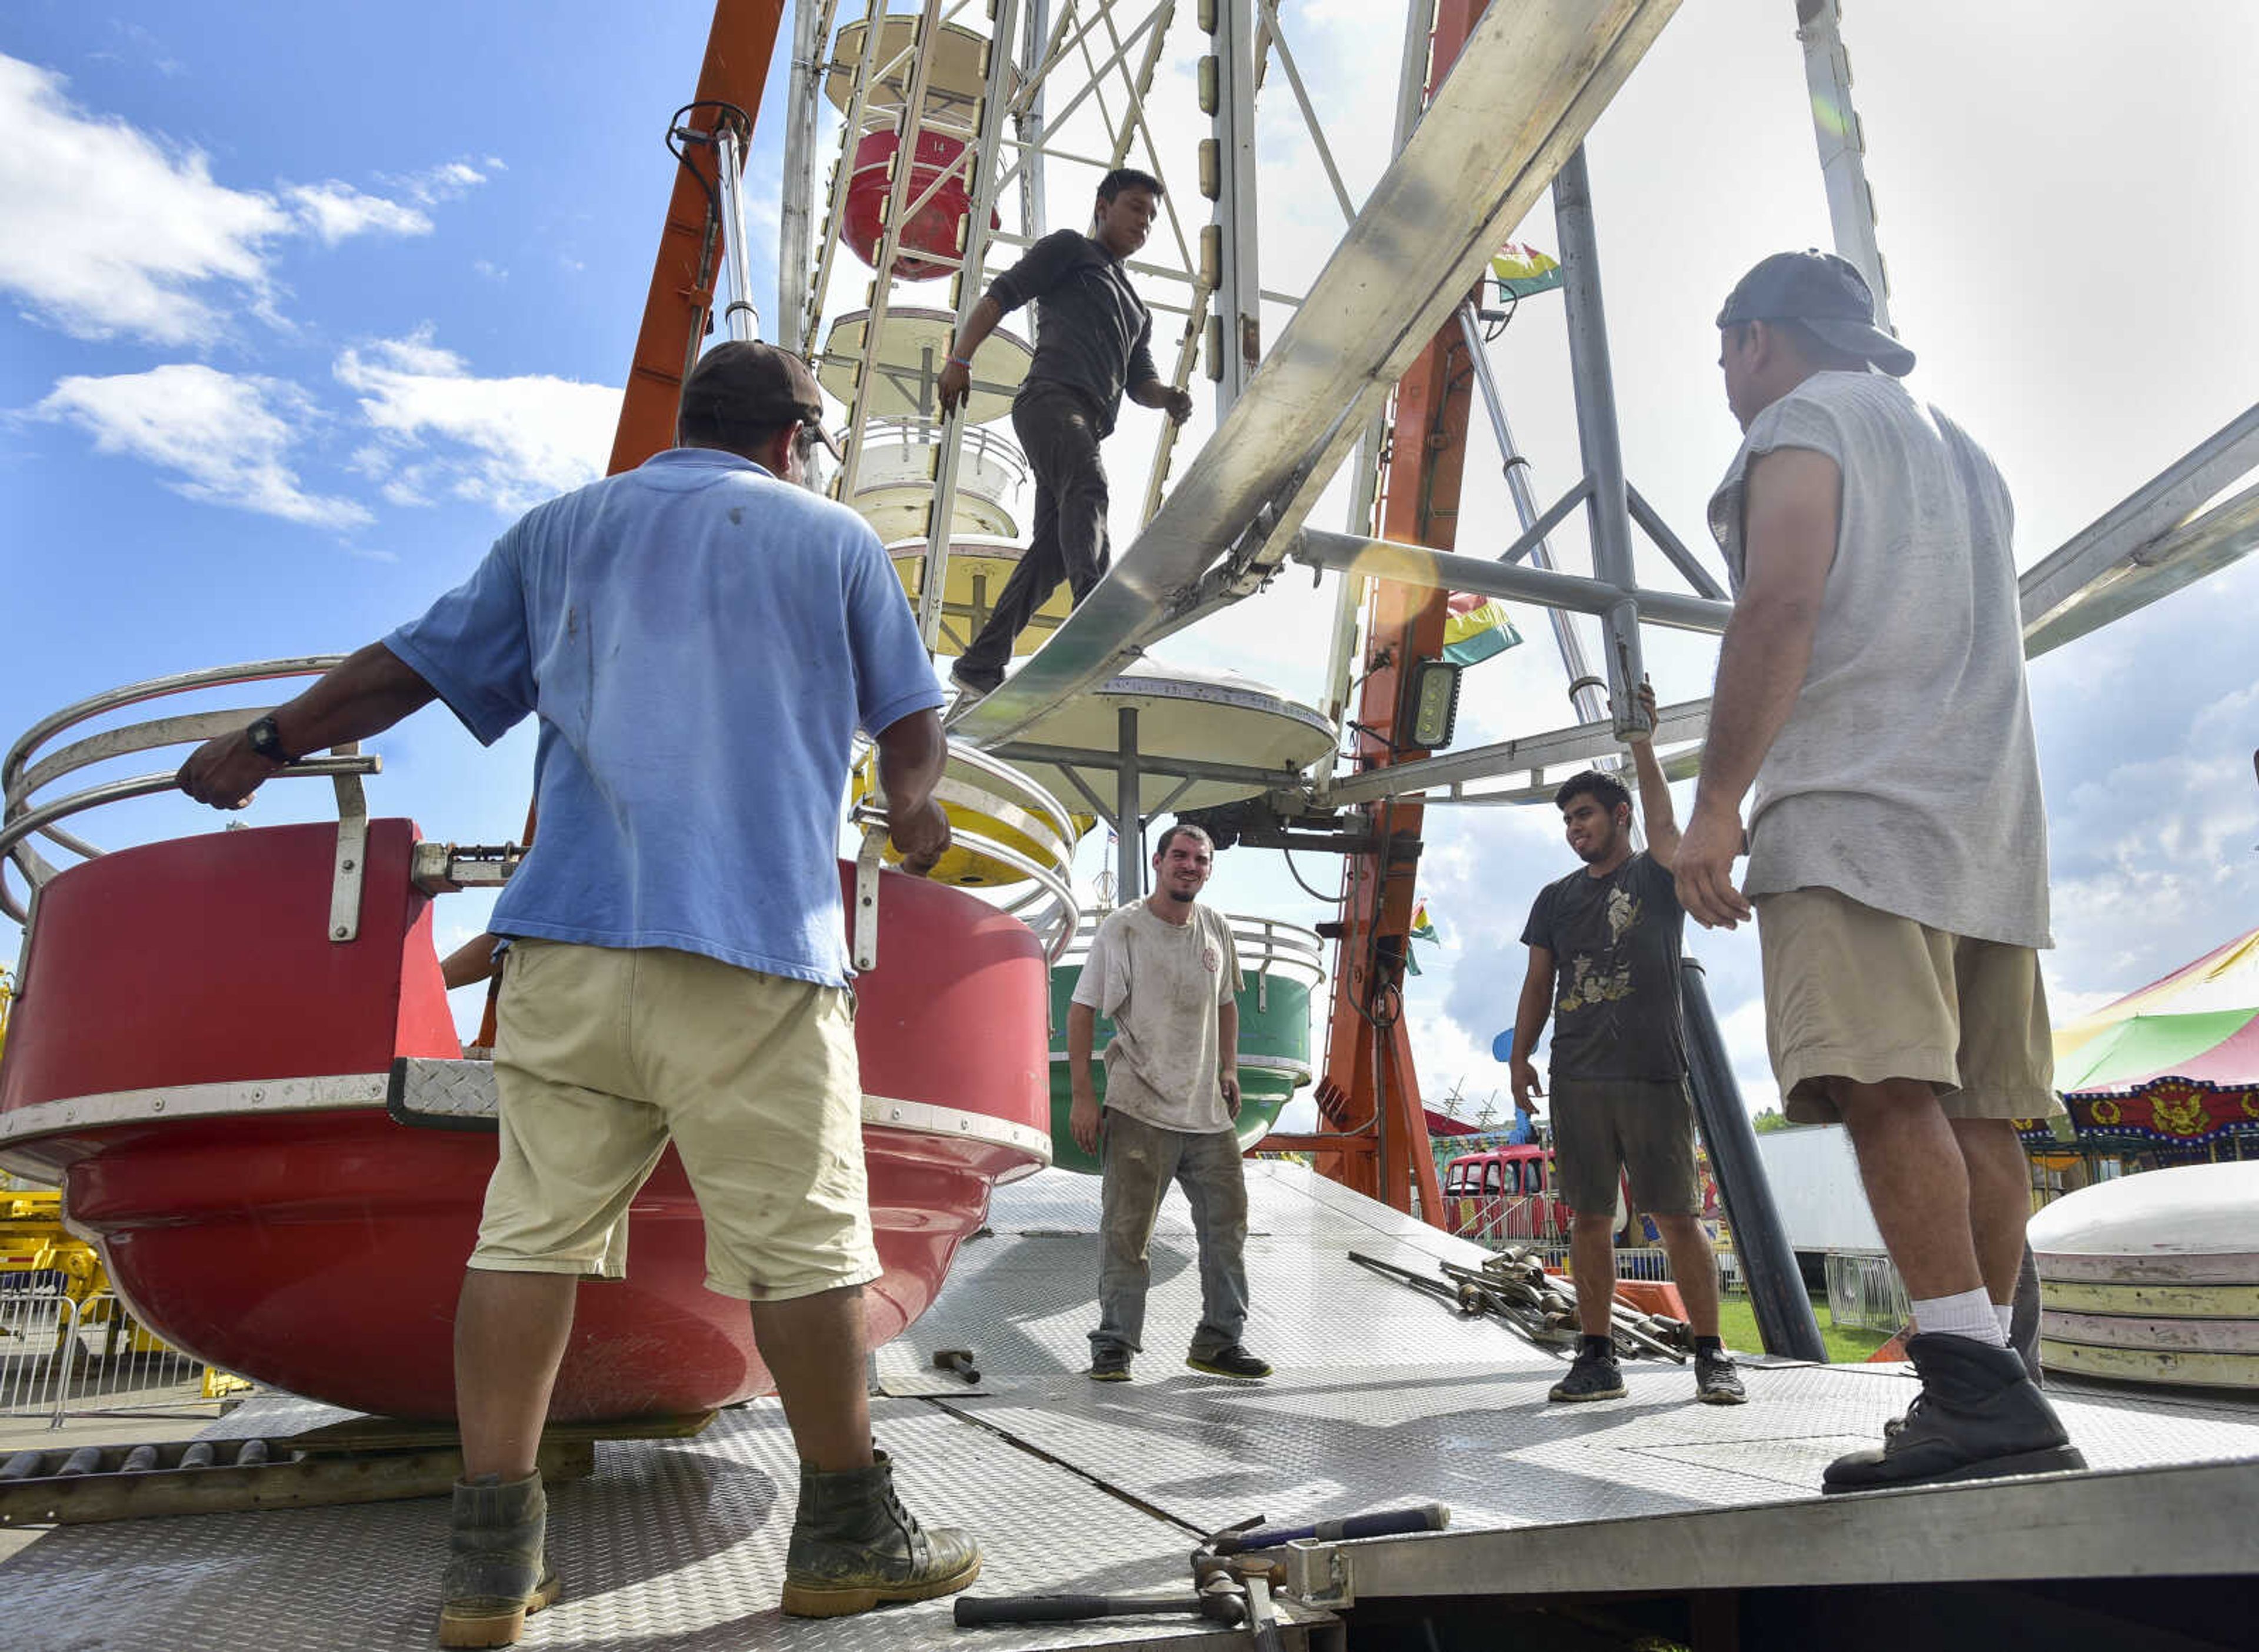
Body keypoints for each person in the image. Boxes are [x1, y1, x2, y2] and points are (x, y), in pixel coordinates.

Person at [176, 340, 981, 1642]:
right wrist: (913, 801)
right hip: (756, 951)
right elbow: (909, 717)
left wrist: (263, 743)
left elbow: (406, 669)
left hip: (567, 944)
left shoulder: (560, 531)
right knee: (808, 1248)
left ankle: (490, 1564)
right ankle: (849, 1532)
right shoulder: (836, 545)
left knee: (528, 1236)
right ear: (790, 436)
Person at [1675, 249, 2083, 1493]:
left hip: (1859, 809)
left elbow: (1780, 604)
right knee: (1980, 1109)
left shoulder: (1803, 422)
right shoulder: (1967, 451)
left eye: (1725, 348)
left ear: (1758, 339)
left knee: (1884, 1085)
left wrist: (1715, 802)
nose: (1727, 374)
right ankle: (1994, 1377)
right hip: (1991, 821)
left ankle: (1970, 1391)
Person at [1510, 685, 1745, 1408]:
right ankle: (1597, 1355)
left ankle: (1711, 1355)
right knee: (1587, 1217)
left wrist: (1641, 738)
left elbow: (1668, 819)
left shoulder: (1654, 874)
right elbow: (1538, 981)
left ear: (1620, 817)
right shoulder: (1555, 897)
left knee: (1676, 1214)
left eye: (1584, 815)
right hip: (1577, 1075)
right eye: (1567, 820)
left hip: (1650, 1072)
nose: (1574, 828)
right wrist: (1519, 1059)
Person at [936, 168, 1194, 697]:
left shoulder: (1138, 310)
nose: (1143, 223)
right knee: (1089, 487)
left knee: (1054, 550)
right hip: (1049, 401)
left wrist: (1167, 397)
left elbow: (1139, 383)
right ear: (1103, 207)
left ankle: (980, 664)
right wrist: (959, 359)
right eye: (1134, 208)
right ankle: (1095, 611)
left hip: (1087, 423)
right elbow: (1001, 297)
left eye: (1151, 216)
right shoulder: (1070, 250)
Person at [1067, 823, 1270, 1383]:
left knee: (1227, 1228)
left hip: (1206, 1112)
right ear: (1158, 862)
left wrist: (1229, 1067)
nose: (1189, 866)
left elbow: (1228, 1002)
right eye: (1179, 856)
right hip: (1139, 1105)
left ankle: (1219, 1341)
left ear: (1209, 869)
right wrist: (1084, 1097)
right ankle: (1114, 1345)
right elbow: (1082, 1011)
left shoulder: (1215, 928)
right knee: (1128, 1231)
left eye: (1199, 860)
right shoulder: (1123, 929)